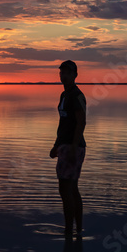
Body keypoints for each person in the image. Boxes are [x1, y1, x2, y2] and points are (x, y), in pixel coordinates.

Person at [49, 60, 87, 239]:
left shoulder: (77, 96)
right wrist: (56, 145)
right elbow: (63, 123)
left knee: (66, 189)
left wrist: (72, 146)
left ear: (75, 75)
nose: (63, 75)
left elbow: (81, 122)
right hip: (64, 146)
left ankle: (69, 231)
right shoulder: (64, 95)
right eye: (61, 72)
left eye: (67, 73)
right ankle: (77, 231)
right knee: (71, 188)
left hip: (74, 147)